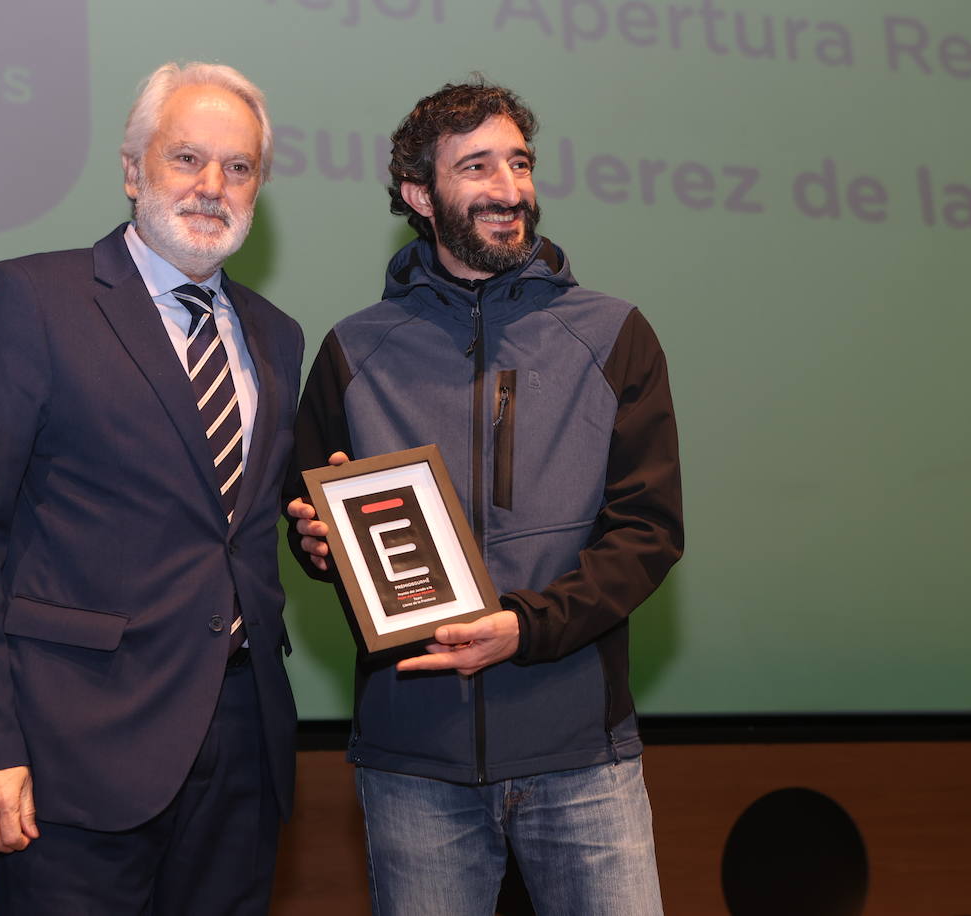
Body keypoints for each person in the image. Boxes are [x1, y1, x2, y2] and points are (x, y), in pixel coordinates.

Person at [0, 61, 303, 915]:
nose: (212, 186)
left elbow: (239, 528)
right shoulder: (34, 299)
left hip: (241, 748)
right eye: (186, 158)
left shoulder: (277, 337)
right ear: (133, 171)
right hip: (71, 753)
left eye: (238, 168)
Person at [285, 80, 683, 915]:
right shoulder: (355, 351)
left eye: (520, 163)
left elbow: (647, 534)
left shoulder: (613, 334)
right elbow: (315, 517)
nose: (510, 190)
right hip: (412, 761)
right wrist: (318, 548)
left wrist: (524, 627)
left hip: (581, 755)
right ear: (419, 195)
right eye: (477, 167)